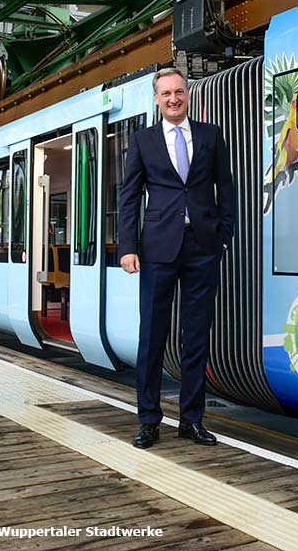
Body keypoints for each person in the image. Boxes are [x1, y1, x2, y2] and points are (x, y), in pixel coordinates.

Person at [118, 67, 235, 449]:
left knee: (196, 336)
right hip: (157, 250)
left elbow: (227, 188)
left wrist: (224, 236)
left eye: (179, 92)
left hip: (202, 247)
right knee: (152, 337)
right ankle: (149, 420)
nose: (173, 98)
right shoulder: (142, 141)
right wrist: (128, 247)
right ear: (156, 99)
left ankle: (191, 420)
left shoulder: (210, 135)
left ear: (188, 95)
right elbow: (130, 197)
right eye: (165, 93)